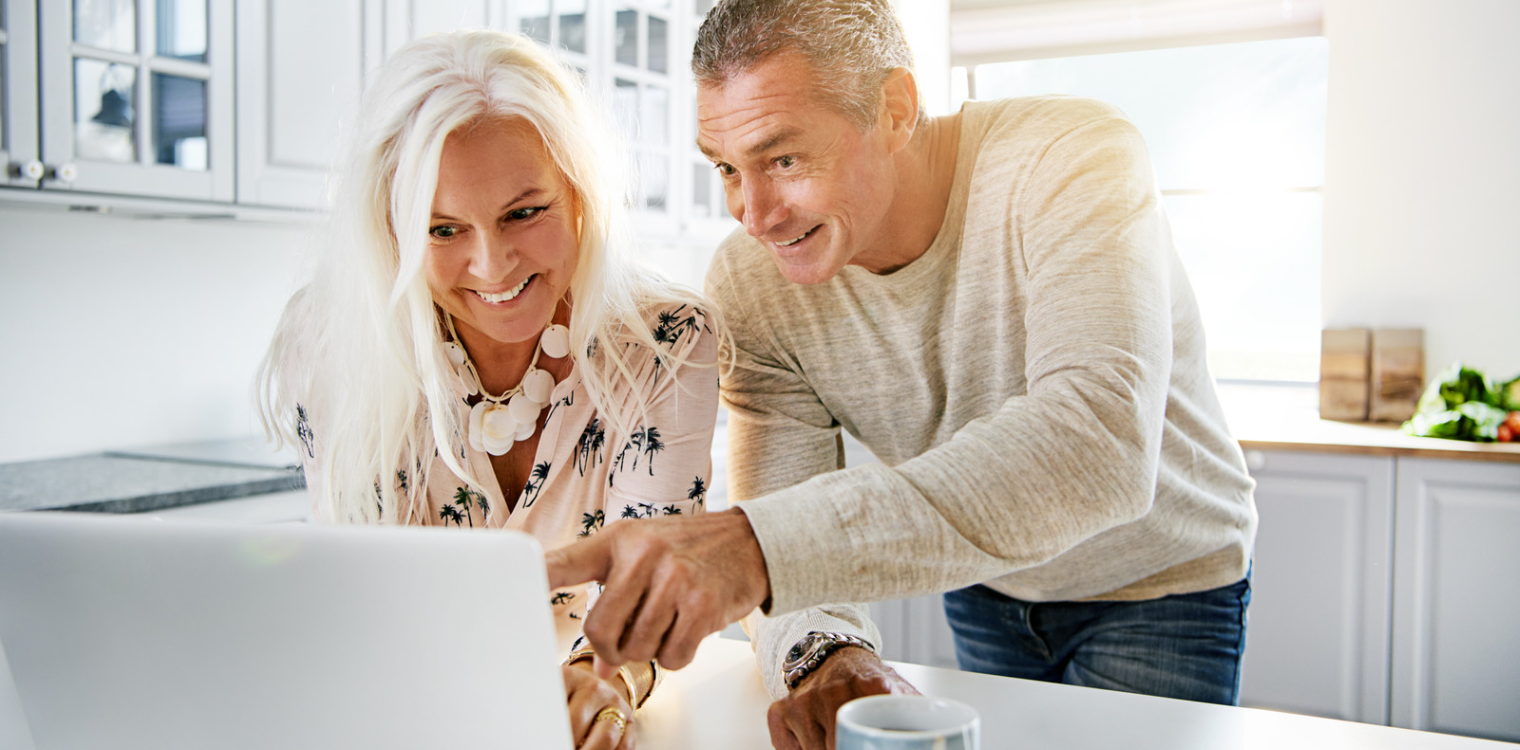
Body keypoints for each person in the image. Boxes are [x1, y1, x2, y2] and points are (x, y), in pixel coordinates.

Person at [549, 1, 1260, 748]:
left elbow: (1100, 447)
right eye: (726, 168)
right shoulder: (755, 285)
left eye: (783, 159)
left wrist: (754, 548)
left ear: (895, 109)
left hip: (1163, 584)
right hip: (987, 581)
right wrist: (827, 653)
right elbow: (787, 510)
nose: (751, 214)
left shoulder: (1072, 158)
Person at [257, 30, 723, 750]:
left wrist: (602, 687)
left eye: (523, 212)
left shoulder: (665, 343)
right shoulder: (327, 349)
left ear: (577, 191)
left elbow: (649, 585)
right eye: (443, 229)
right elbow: (362, 600)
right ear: (391, 231)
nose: (492, 263)